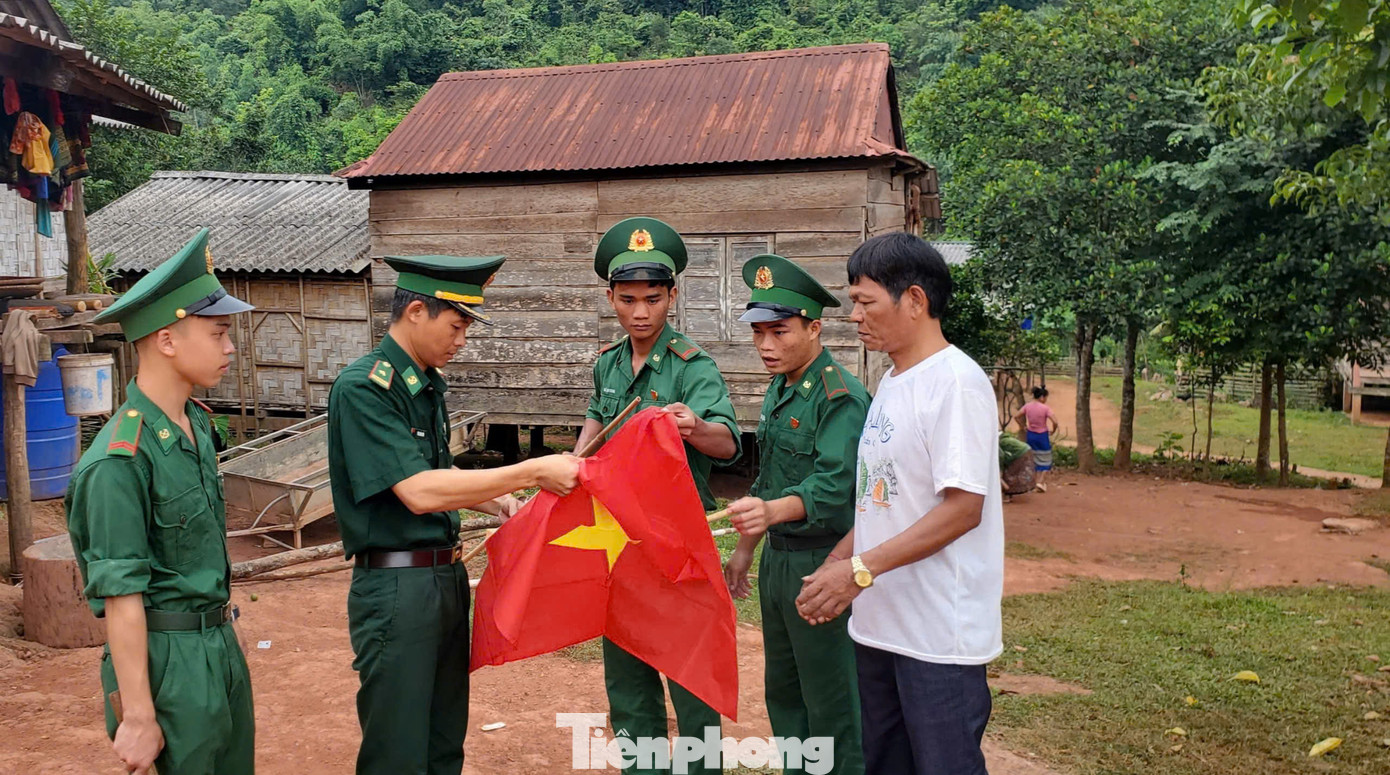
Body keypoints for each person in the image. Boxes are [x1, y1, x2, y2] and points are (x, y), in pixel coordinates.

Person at [327, 255, 582, 775]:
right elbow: (418, 492)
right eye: (457, 325)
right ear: (416, 312)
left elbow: (438, 472)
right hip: (397, 588)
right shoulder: (366, 388)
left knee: (444, 739)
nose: (462, 340)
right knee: (399, 748)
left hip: (444, 579)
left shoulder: (423, 385)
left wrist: (501, 502)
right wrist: (530, 471)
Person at [796, 232, 1004, 775]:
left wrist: (857, 571)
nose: (854, 316)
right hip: (881, 624)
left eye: (865, 302)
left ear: (914, 300)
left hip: (936, 637)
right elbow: (883, 495)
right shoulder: (892, 380)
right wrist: (841, 559)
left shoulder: (955, 384)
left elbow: (963, 509)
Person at [66, 228, 256, 775]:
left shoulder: (195, 425)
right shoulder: (119, 461)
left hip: (217, 642)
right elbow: (121, 595)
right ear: (167, 341)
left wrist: (223, 641)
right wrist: (139, 716)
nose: (229, 347)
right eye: (218, 333)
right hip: (167, 662)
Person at [575, 217, 741, 774]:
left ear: (672, 296)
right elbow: (592, 433)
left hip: (677, 545)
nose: (640, 312)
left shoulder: (694, 366)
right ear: (611, 299)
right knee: (627, 676)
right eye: (627, 300)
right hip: (620, 541)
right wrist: (570, 469)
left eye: (652, 299)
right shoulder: (608, 363)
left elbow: (728, 444)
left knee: (691, 677)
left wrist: (695, 426)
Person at [722, 254, 868, 774]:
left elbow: (833, 486)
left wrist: (770, 511)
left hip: (823, 560)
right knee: (785, 693)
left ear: (814, 328)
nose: (766, 345)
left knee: (831, 699)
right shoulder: (781, 387)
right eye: (758, 332)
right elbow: (769, 478)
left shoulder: (840, 397)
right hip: (779, 562)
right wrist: (745, 550)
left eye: (779, 331)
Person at [1013, 386, 1058, 491]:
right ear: (1042, 397)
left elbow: (1016, 416)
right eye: (1045, 397)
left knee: (1034, 457)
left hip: (1031, 434)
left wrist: (1023, 426)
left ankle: (1036, 482)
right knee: (1046, 458)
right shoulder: (1045, 408)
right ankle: (1040, 481)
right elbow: (1055, 422)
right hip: (1042, 435)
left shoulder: (1027, 406)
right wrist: (1053, 430)